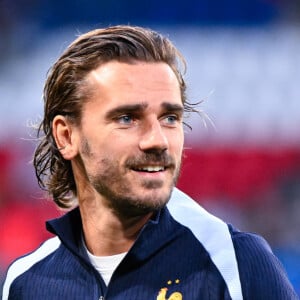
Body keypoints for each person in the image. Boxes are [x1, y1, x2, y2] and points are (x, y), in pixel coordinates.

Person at [2, 25, 298, 300]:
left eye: (170, 118)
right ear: (66, 136)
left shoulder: (234, 262)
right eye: (127, 118)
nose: (158, 140)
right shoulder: (27, 282)